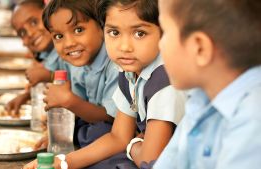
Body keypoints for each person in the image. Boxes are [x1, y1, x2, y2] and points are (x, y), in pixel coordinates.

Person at [24, 0, 184, 168]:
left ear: (165, 31)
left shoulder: (165, 81)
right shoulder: (129, 70)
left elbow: (148, 160)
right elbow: (118, 137)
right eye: (114, 32)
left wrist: (132, 144)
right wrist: (63, 163)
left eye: (139, 33)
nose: (124, 47)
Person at [154, 0, 261, 169]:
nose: (160, 45)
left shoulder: (253, 120)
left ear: (200, 48)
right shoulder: (201, 98)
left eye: (165, 32)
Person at [23, 0, 119, 168]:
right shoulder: (77, 63)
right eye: (59, 36)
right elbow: (80, 110)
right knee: (84, 128)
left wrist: (69, 101)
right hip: (94, 127)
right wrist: (56, 136)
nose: (68, 43)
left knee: (98, 132)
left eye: (78, 30)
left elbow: (111, 117)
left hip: (118, 131)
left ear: (101, 25)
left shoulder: (116, 64)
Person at [6, 0, 66, 115]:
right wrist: (26, 96)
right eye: (22, 32)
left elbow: (76, 81)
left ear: (49, 13)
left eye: (34, 22)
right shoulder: (46, 55)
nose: (30, 33)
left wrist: (49, 76)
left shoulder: (69, 48)